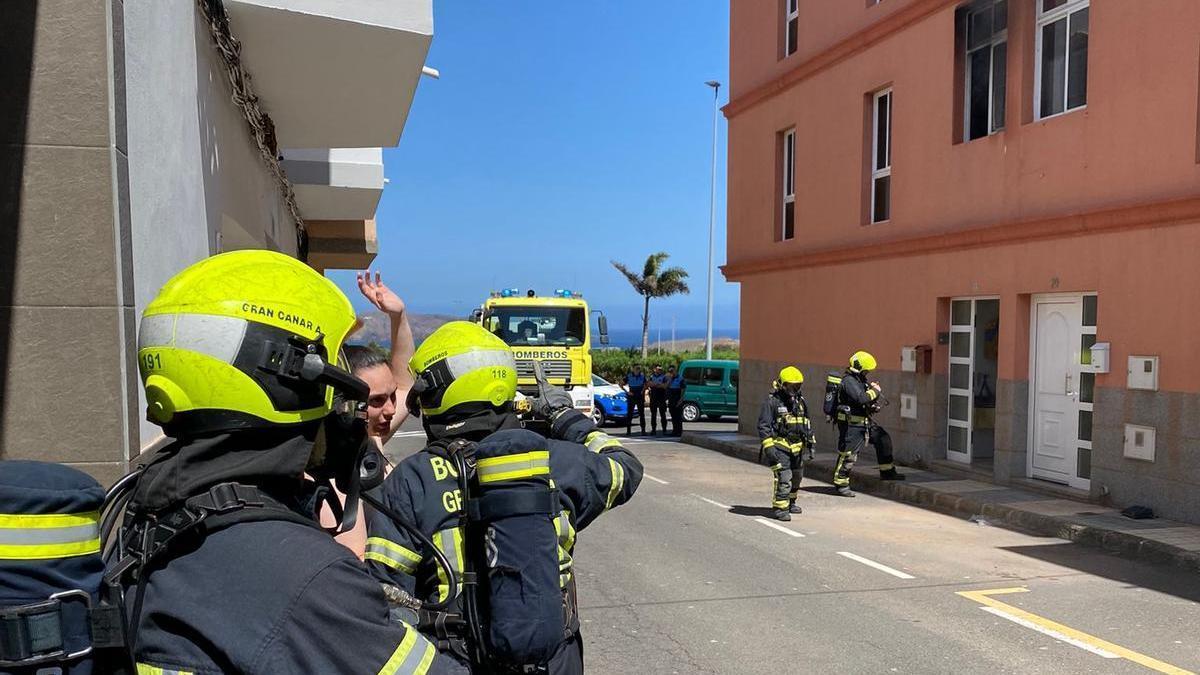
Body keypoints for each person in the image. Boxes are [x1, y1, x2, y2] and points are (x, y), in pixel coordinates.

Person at [110, 250, 450, 674]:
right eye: (334, 379)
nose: (351, 410)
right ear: (289, 384)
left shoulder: (147, 512)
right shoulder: (311, 579)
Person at [365, 321, 643, 674]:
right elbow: (625, 467)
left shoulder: (412, 479)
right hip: (554, 662)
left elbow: (384, 597)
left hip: (456, 661)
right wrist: (563, 416)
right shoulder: (557, 461)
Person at [833, 351, 906, 497]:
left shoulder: (859, 381)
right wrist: (875, 391)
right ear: (859, 368)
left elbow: (865, 401)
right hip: (851, 425)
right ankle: (841, 484)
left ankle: (887, 472)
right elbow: (861, 398)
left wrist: (873, 405)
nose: (867, 373)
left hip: (864, 422)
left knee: (883, 439)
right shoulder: (848, 381)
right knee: (849, 455)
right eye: (866, 370)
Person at [757, 367, 814, 521]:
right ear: (783, 384)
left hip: (797, 447)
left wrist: (810, 442)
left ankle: (790, 502)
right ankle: (780, 508)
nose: (794, 389)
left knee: (797, 476)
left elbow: (806, 422)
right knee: (784, 476)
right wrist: (769, 448)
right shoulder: (772, 401)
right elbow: (764, 425)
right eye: (791, 386)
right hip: (780, 446)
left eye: (797, 386)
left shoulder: (800, 401)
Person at [622, 363, 647, 435]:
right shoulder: (629, 376)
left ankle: (643, 430)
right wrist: (627, 392)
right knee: (630, 413)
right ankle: (628, 430)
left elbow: (646, 384)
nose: (638, 370)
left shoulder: (642, 376)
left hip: (639, 395)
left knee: (641, 413)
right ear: (633, 369)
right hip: (632, 395)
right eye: (636, 368)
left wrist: (643, 390)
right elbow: (621, 384)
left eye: (639, 368)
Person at [647, 364, 670, 436]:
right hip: (653, 397)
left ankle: (664, 430)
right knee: (653, 415)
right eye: (658, 369)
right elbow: (649, 384)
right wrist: (658, 385)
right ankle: (653, 430)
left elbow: (665, 385)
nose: (660, 370)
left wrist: (656, 385)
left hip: (661, 397)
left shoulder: (664, 377)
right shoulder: (651, 376)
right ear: (655, 369)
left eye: (661, 369)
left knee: (663, 414)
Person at [667, 365, 686, 437]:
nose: (671, 372)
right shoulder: (670, 379)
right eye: (670, 371)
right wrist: (670, 379)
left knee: (678, 417)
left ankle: (679, 431)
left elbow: (683, 390)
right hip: (671, 399)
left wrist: (680, 400)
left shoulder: (680, 379)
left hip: (677, 398)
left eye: (672, 371)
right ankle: (674, 431)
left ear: (675, 370)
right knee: (673, 416)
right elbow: (667, 387)